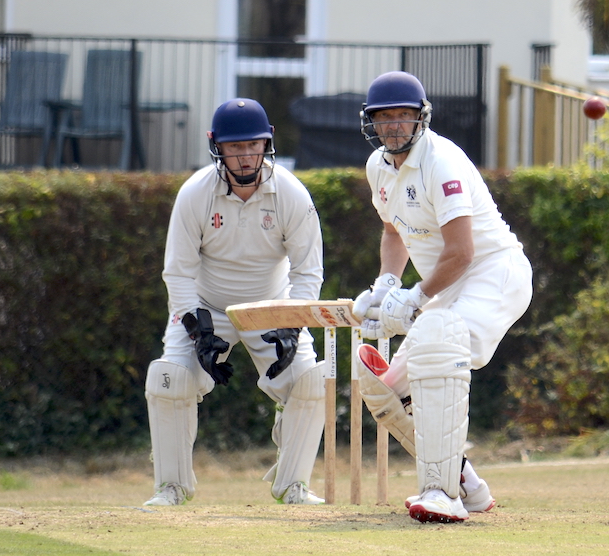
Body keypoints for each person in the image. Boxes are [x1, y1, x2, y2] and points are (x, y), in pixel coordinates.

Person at [352, 71, 533, 523]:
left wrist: (413, 298)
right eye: (384, 117)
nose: (395, 125)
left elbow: (462, 252)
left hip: (495, 275)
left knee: (435, 346)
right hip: (451, 287)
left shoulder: (441, 163)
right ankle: (468, 486)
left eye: (404, 116)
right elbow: (393, 230)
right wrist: (386, 285)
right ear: (371, 122)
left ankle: (441, 493)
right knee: (385, 392)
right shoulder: (379, 167)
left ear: (420, 119)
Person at [143, 98, 326, 506]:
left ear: (266, 144)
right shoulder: (195, 194)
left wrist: (292, 324)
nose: (245, 156)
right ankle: (171, 487)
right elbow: (177, 272)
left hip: (272, 309)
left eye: (253, 145)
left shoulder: (291, 195)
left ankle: (293, 486)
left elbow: (308, 271)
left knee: (311, 383)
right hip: (206, 308)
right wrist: (198, 329)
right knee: (169, 379)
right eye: (235, 147)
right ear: (217, 147)